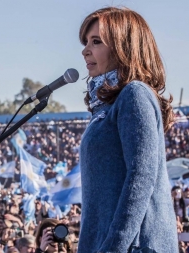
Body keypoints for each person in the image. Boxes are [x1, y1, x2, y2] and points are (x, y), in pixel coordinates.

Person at [78, 7, 178, 252]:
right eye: (86, 42)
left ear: (124, 47)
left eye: (96, 41)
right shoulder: (108, 104)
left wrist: (115, 246)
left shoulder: (134, 94)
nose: (85, 50)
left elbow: (141, 176)